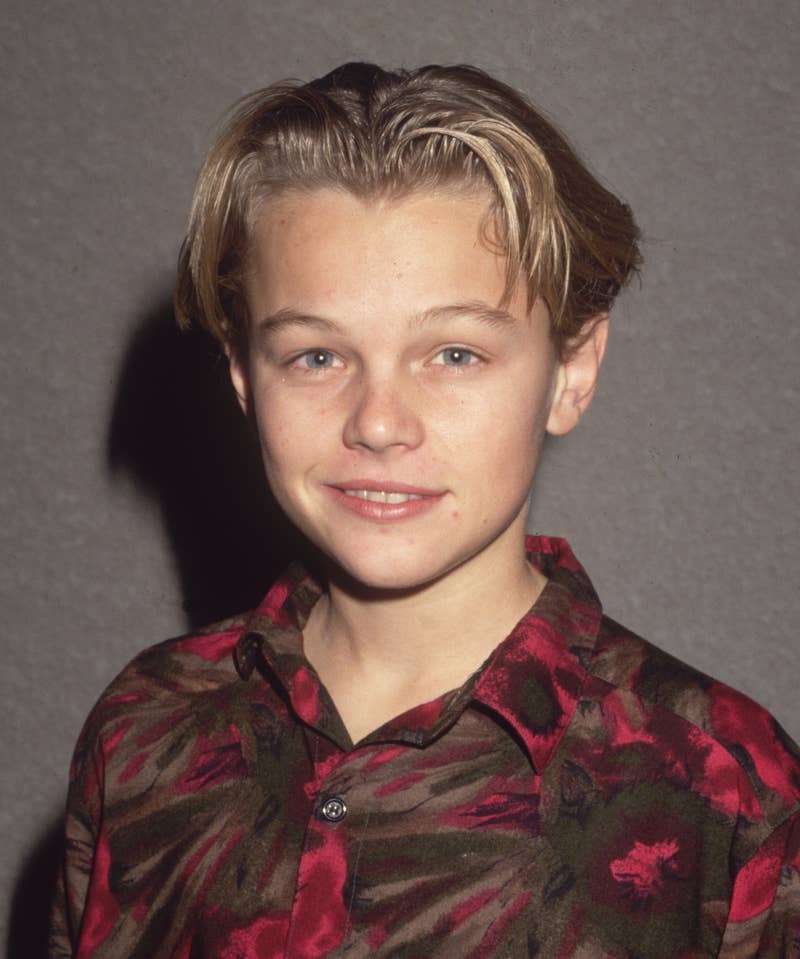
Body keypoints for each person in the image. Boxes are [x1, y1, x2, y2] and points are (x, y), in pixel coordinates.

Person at [50, 62, 799, 958]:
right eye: (317, 357)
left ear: (573, 370)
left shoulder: (726, 794)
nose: (377, 422)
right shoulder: (141, 737)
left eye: (453, 353)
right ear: (245, 374)